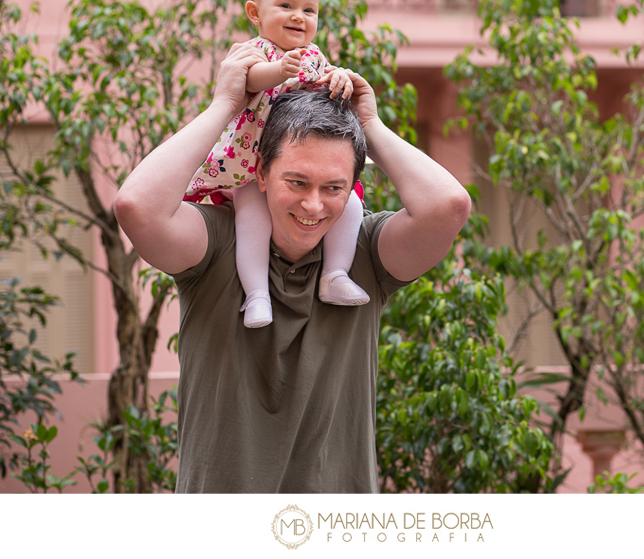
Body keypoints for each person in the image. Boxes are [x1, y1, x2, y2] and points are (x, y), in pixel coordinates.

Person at [114, 42, 472, 493]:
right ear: (261, 173)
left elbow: (449, 205)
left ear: (353, 187)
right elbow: (135, 207)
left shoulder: (365, 253)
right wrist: (224, 106)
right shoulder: (217, 244)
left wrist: (370, 125)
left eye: (334, 187)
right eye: (297, 182)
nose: (313, 204)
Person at [183, 0, 367, 328]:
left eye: (309, 10)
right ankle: (256, 295)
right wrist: (276, 70)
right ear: (255, 13)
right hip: (251, 163)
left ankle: (335, 274)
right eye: (286, 5)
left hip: (298, 159)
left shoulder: (313, 55)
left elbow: (327, 79)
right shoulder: (255, 52)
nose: (299, 16)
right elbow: (249, 82)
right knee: (252, 215)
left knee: (349, 204)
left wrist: (341, 79)